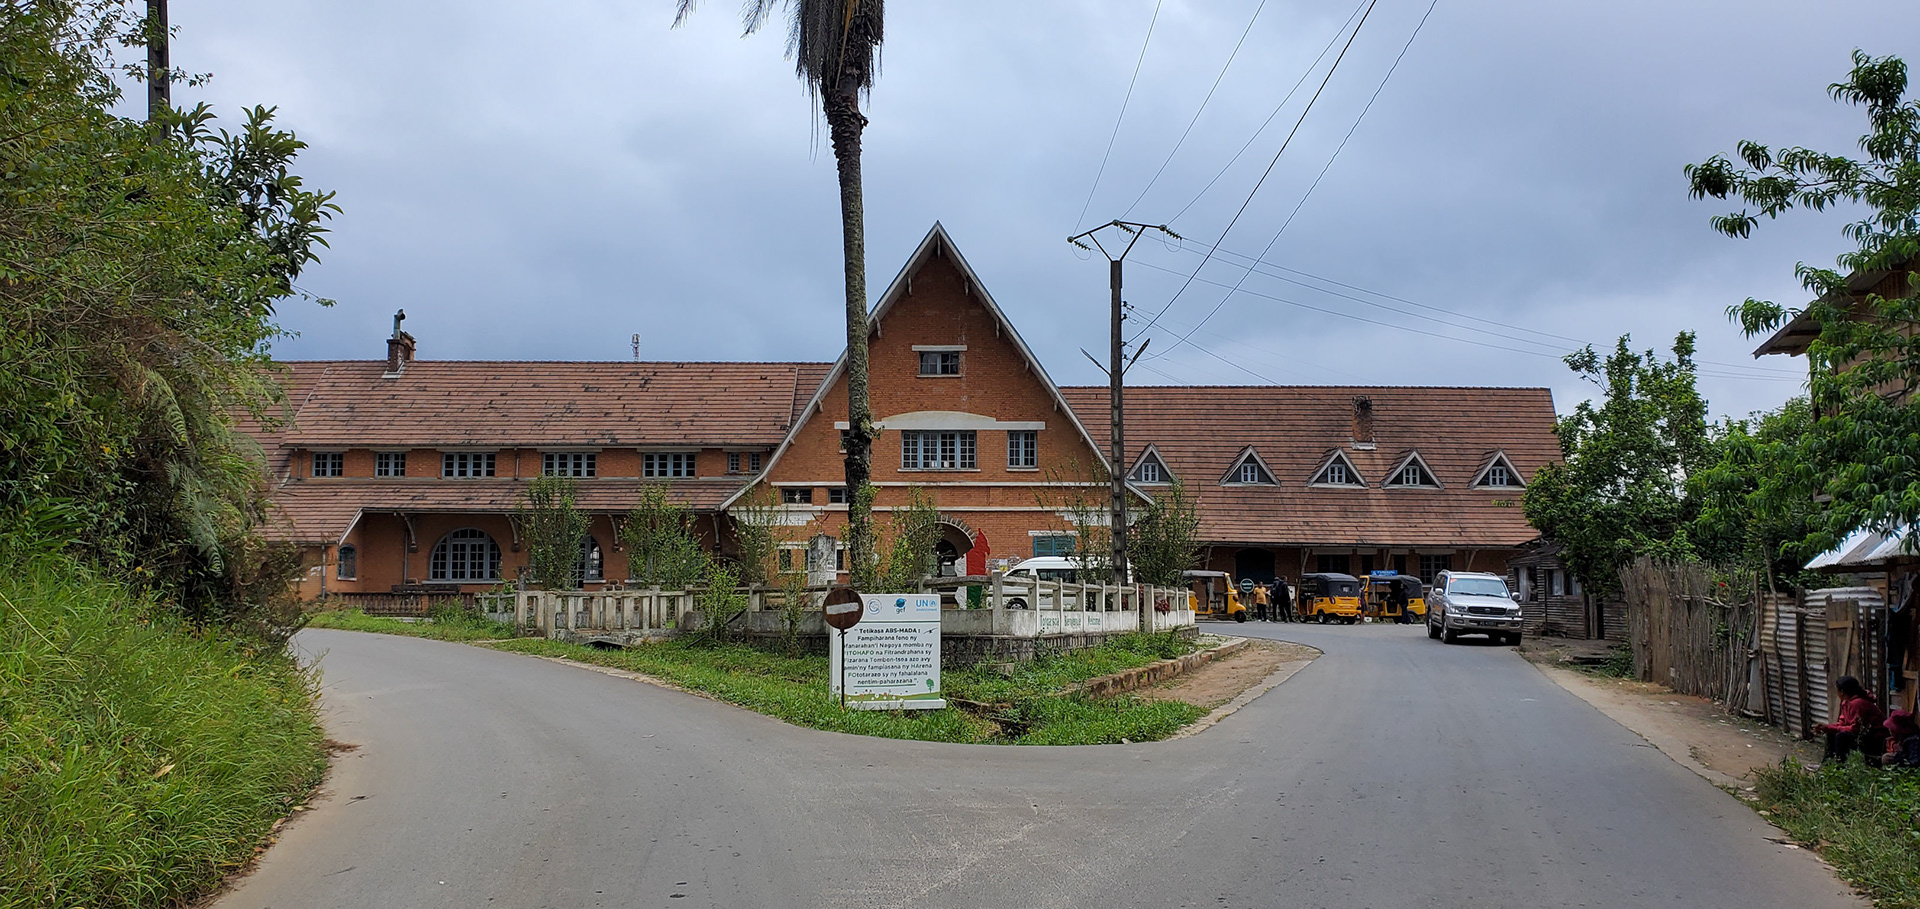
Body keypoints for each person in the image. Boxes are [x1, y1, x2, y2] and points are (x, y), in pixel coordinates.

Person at [1817, 675, 1888, 765]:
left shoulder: (1858, 704)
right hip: (1864, 735)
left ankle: (1840, 765)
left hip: (1876, 739)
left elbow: (1855, 728)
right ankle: (1827, 764)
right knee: (1831, 734)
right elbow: (1842, 723)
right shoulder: (1846, 702)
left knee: (1841, 736)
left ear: (1842, 692)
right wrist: (1827, 728)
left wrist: (1831, 728)